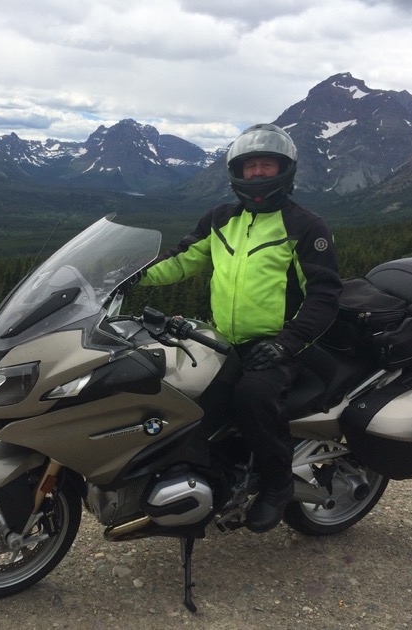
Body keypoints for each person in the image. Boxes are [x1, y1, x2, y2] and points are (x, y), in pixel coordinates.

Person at [140, 123, 342, 533]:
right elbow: (181, 260)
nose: (257, 174)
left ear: (284, 170)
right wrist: (127, 275)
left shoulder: (304, 226)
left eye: (266, 165)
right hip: (225, 340)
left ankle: (277, 485)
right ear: (237, 172)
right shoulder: (220, 219)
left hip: (281, 345)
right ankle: (207, 481)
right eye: (250, 166)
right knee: (186, 397)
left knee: (252, 397)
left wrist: (288, 344)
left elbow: (325, 295)